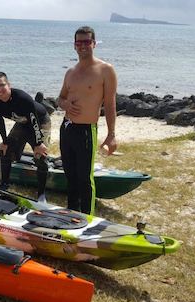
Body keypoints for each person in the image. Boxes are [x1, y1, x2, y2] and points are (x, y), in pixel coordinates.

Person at [57, 26, 118, 215]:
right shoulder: (70, 72)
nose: (82, 46)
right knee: (70, 176)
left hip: (86, 130)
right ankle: (72, 214)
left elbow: (110, 104)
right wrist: (65, 104)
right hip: (67, 128)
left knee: (85, 178)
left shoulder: (105, 70)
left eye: (86, 42)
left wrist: (111, 135)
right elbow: (60, 99)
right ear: (74, 45)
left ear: (94, 44)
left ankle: (87, 218)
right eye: (79, 42)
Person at [0, 72, 51, 202]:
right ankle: (4, 185)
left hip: (40, 122)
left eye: (2, 85)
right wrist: (4, 141)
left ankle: (41, 194)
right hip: (22, 123)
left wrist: (38, 143)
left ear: (9, 85)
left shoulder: (22, 98)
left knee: (41, 156)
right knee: (5, 150)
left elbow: (34, 121)